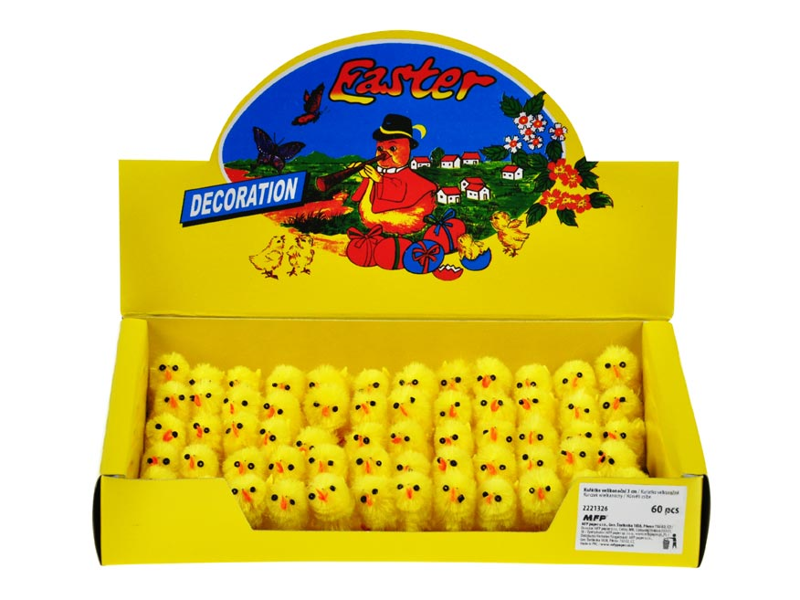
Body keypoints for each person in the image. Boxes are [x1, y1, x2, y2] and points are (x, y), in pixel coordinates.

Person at [351, 114, 437, 235]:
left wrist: (379, 179)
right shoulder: (378, 173)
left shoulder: (411, 178)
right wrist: (367, 178)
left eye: (392, 148)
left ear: (407, 149)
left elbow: (399, 193)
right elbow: (358, 198)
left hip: (404, 222)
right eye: (380, 149)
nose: (384, 154)